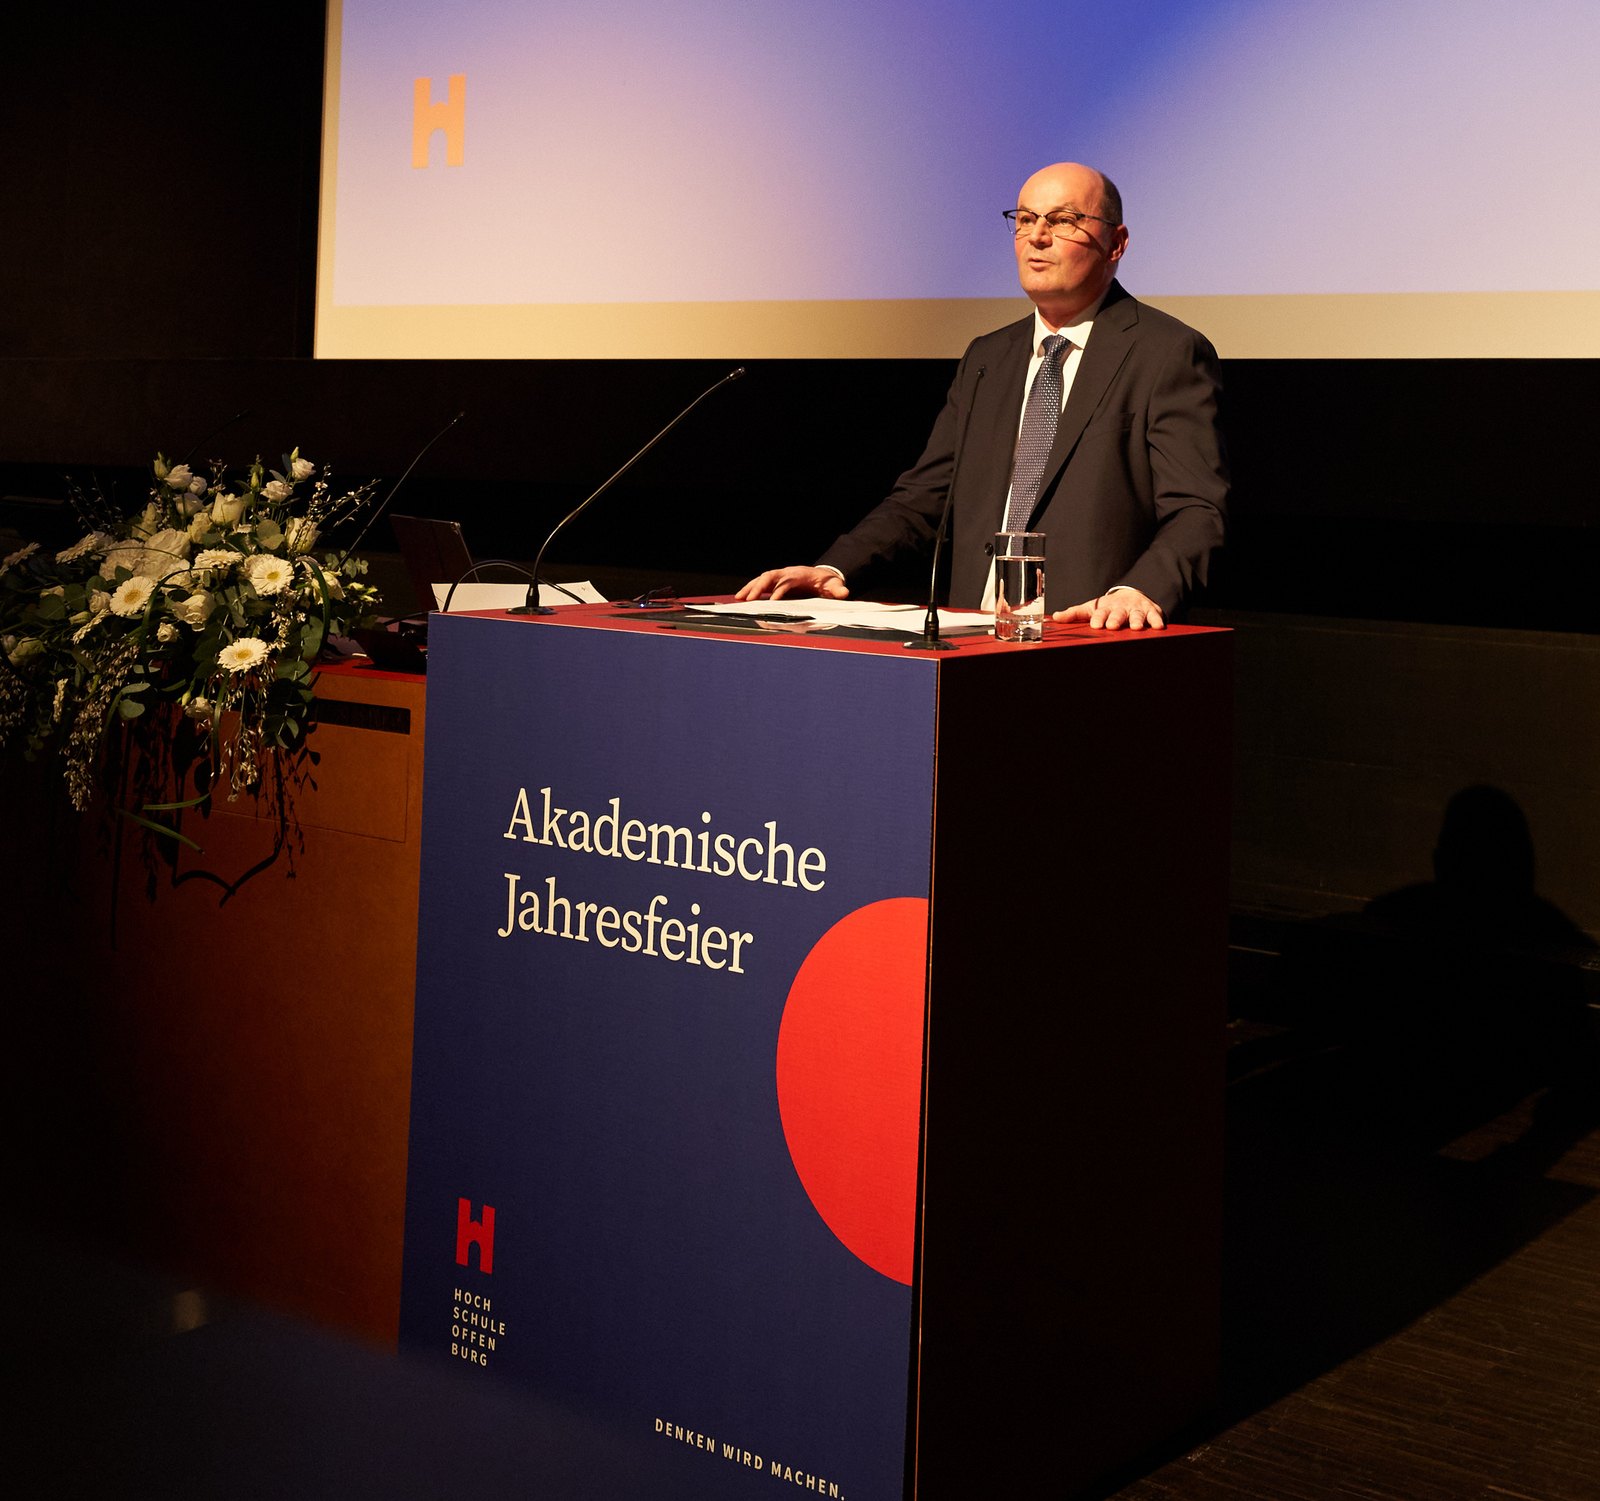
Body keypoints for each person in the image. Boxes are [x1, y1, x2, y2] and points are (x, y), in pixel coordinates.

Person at [735, 162, 1228, 630]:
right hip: (972, 639)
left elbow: (1195, 509)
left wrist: (1141, 589)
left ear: (1115, 243)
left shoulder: (1167, 353)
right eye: (1026, 219)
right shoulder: (988, 358)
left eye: (1063, 220)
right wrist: (834, 569)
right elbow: (923, 500)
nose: (1037, 236)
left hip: (1086, 637)